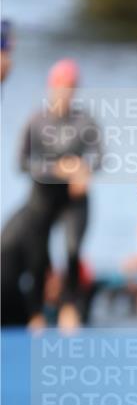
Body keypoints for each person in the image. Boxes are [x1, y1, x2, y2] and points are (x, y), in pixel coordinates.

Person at [1, 58, 102, 330]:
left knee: (71, 250)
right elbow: (21, 163)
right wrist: (58, 168)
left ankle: (69, 308)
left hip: (73, 201)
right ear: (51, 87)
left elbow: (100, 157)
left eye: (71, 86)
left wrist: (85, 169)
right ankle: (35, 315)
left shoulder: (85, 122)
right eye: (61, 86)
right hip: (42, 198)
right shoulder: (37, 120)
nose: (65, 92)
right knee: (37, 255)